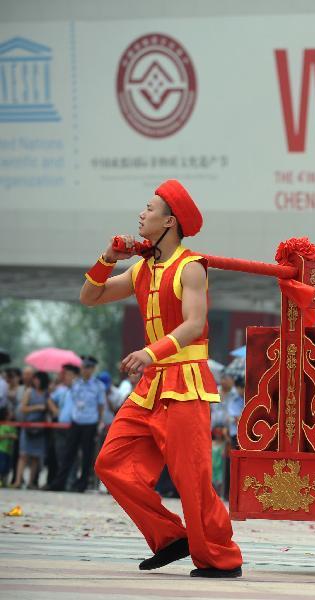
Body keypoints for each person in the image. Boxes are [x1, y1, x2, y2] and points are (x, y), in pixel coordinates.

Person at [85, 180, 243, 577]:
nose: (141, 214)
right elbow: (91, 296)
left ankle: (221, 559)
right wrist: (108, 257)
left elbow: (194, 325)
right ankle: (173, 538)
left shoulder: (190, 267)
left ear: (169, 221)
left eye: (149, 208)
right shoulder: (141, 269)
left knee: (193, 478)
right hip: (151, 383)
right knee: (110, 463)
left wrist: (149, 352)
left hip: (185, 379)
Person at [46, 356, 105, 492]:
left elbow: (101, 406)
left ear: (93, 369)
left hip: (90, 422)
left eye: (89, 368)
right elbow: (66, 393)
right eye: (84, 368)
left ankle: (82, 484)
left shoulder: (98, 386)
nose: (86, 371)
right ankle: (59, 483)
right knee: (68, 453)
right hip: (76, 421)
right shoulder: (75, 383)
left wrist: (99, 421)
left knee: (86, 455)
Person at [11, 371, 50, 489]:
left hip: (40, 429)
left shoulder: (46, 394)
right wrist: (37, 407)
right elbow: (23, 408)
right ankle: (18, 481)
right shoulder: (29, 391)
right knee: (23, 455)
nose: (35, 381)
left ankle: (31, 482)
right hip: (28, 426)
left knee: (35, 457)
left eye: (38, 379)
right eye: (35, 379)